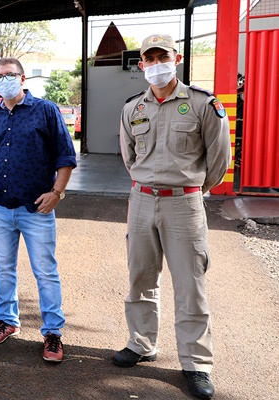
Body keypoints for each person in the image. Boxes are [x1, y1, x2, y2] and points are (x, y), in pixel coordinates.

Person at [115, 34, 230, 400]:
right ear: (142, 65)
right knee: (140, 278)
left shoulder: (202, 104)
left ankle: (196, 364)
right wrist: (148, 184)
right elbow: (129, 156)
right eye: (149, 58)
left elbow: (218, 163)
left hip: (184, 203)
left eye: (162, 55)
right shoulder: (132, 109)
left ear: (175, 58)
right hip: (141, 201)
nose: (156, 63)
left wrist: (188, 188)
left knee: (190, 285)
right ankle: (141, 343)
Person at [0, 57, 76, 363]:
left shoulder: (45, 111)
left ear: (22, 79)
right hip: (2, 207)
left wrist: (57, 192)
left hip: (37, 208)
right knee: (3, 268)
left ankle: (53, 333)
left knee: (45, 271)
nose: (4, 79)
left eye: (10, 75)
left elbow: (65, 156)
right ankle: (8, 320)